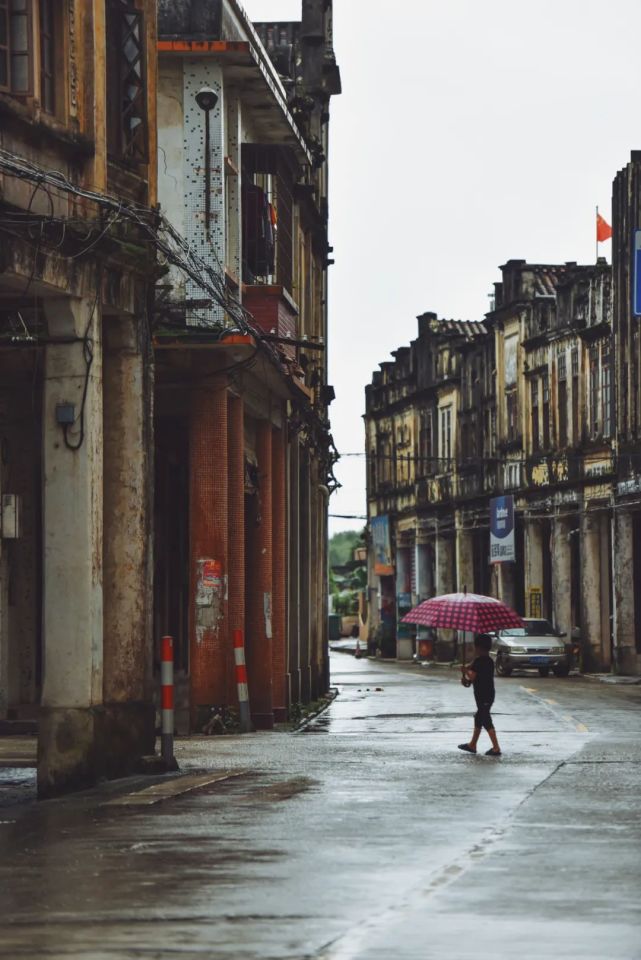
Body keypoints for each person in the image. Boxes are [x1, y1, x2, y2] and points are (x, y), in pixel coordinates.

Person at [458, 633, 502, 757]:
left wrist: (465, 671)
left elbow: (473, 676)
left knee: (485, 719)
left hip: (484, 696)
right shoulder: (487, 661)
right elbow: (471, 681)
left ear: (479, 648)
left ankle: (496, 748)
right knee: (479, 717)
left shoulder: (480, 661)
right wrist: (465, 679)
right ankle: (472, 744)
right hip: (486, 695)